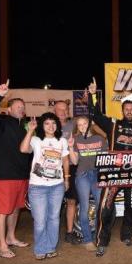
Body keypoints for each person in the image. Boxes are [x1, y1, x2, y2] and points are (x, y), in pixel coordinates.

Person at [87, 78, 132, 257]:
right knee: (106, 207)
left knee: (131, 206)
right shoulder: (113, 124)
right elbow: (95, 115)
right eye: (126, 109)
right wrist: (93, 95)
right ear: (122, 111)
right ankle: (102, 241)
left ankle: (126, 235)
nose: (129, 111)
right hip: (113, 173)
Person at [0, 82, 31, 258]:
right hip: (4, 176)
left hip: (21, 176)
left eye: (23, 107)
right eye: (17, 106)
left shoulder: (25, 126)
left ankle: (10, 237)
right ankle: (2, 245)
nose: (21, 109)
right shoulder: (0, 123)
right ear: (9, 110)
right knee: (3, 211)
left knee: (16, 208)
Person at [20, 113, 70, 260]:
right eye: (47, 123)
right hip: (37, 186)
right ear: (42, 125)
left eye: (53, 123)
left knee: (54, 218)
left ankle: (50, 247)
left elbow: (65, 160)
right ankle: (40, 248)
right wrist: (30, 130)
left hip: (57, 186)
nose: (51, 126)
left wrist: (66, 179)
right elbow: (23, 149)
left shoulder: (62, 141)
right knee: (40, 220)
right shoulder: (36, 140)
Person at [68, 116, 108, 251]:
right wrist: (70, 147)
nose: (83, 126)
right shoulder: (76, 140)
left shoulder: (100, 139)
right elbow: (74, 162)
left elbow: (106, 159)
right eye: (80, 125)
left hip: (97, 174)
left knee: (99, 207)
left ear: (90, 124)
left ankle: (97, 236)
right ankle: (87, 239)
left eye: (85, 123)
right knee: (84, 207)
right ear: (77, 127)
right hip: (82, 175)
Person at [54, 101, 79, 245]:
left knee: (71, 201)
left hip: (71, 167)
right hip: (53, 168)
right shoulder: (48, 124)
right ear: (54, 110)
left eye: (65, 109)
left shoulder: (74, 125)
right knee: (54, 203)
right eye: (60, 109)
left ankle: (69, 232)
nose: (63, 112)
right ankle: (52, 233)